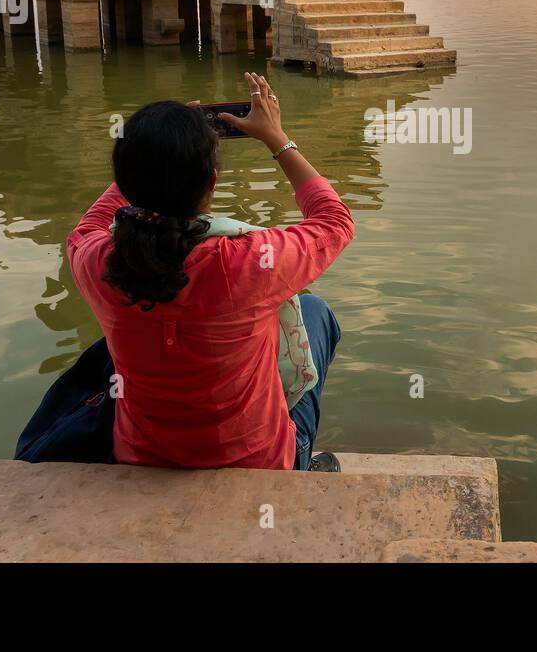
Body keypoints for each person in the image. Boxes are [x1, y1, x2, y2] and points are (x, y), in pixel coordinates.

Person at [66, 72, 354, 471]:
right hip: (256, 462)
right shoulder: (246, 263)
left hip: (142, 454)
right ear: (212, 182)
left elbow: (87, 227)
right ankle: (301, 465)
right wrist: (277, 138)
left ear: (126, 183)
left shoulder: (97, 262)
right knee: (315, 312)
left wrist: (154, 152)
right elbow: (334, 221)